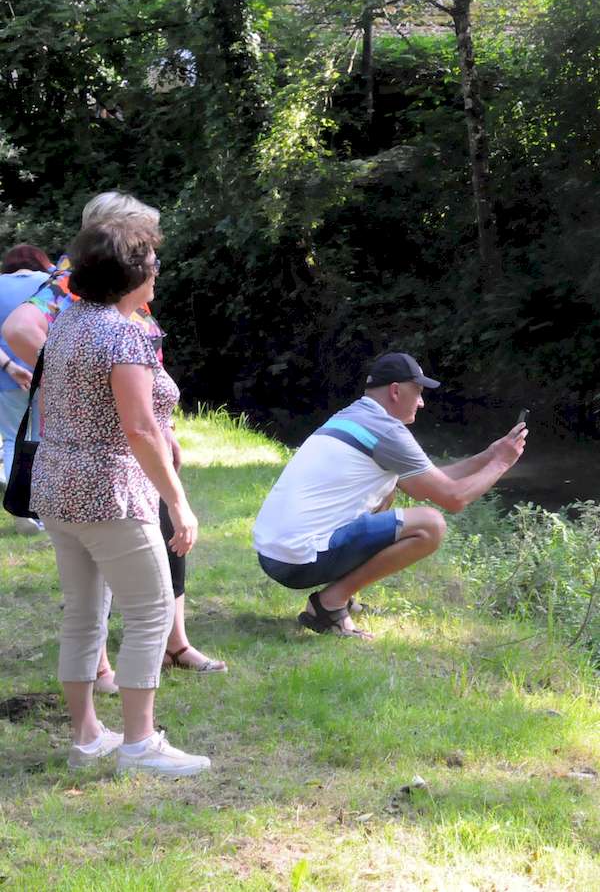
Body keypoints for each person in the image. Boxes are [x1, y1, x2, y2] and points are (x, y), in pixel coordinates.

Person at [2, 192, 226, 687]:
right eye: (144, 240)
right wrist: (82, 382)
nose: (154, 256)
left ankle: (174, 643)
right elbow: (19, 327)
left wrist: (161, 423)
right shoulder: (76, 286)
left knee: (162, 535)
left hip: (134, 447)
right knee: (102, 570)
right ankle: (109, 670)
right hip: (106, 457)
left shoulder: (121, 297)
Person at [31, 216, 211, 775]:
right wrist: (178, 502)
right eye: (153, 263)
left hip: (57, 486)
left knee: (84, 614)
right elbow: (139, 429)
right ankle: (139, 744)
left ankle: (88, 738)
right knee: (152, 610)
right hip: (109, 493)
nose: (158, 272)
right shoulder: (122, 335)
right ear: (131, 272)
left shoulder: (67, 321)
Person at [253, 351, 527, 639]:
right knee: (431, 525)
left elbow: (430, 482)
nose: (421, 402)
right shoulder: (387, 431)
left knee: (388, 491)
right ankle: (330, 603)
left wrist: (489, 455)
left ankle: (341, 595)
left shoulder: (352, 416)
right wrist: (501, 463)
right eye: (418, 392)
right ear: (396, 391)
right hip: (298, 561)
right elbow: (454, 498)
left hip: (274, 556)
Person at [0, 244, 52, 535]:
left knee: (12, 439)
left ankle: (19, 508)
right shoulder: (50, 285)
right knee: (42, 440)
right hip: (44, 372)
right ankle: (41, 510)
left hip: (5, 377)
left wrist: (8, 366)